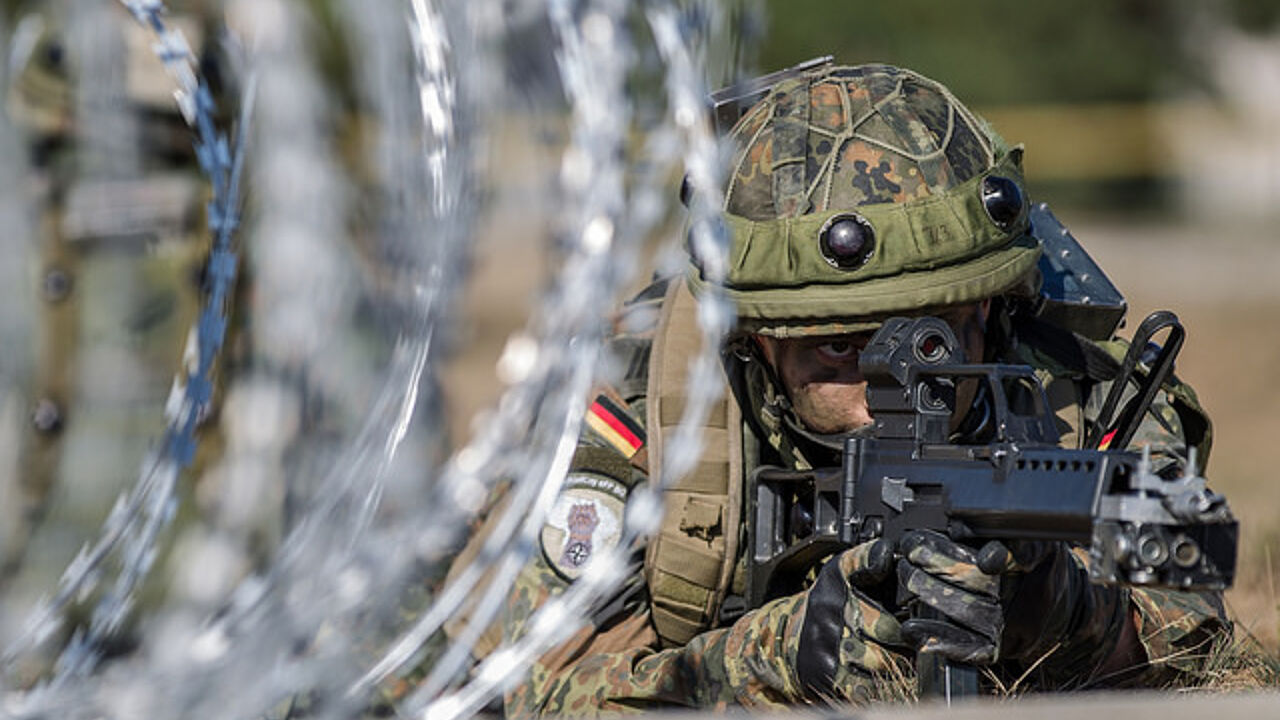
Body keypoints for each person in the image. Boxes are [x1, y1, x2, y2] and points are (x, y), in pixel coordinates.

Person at [474, 62, 1229, 716]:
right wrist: (780, 656)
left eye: (932, 340)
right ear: (754, 338)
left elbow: (1202, 638)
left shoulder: (1080, 392)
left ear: (990, 305)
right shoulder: (644, 400)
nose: (888, 388)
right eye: (839, 346)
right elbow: (535, 690)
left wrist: (1062, 614)